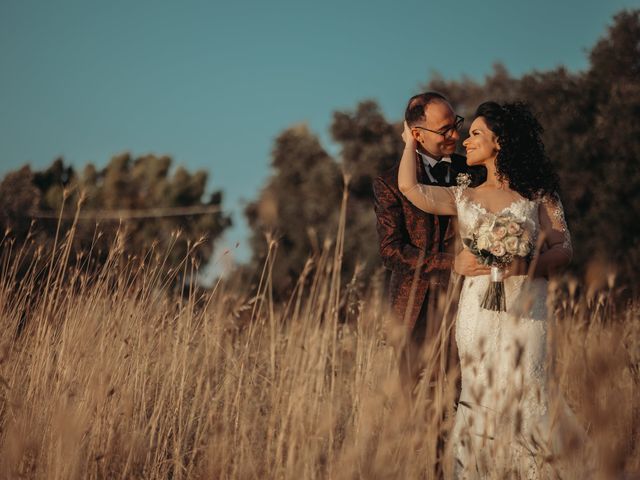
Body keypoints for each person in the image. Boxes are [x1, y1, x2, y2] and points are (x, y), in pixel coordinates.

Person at [398, 101, 574, 478]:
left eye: (476, 133)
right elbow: (409, 187)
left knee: (530, 388)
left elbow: (563, 248)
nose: (465, 141)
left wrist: (525, 266)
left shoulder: (538, 194)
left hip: (528, 309)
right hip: (477, 310)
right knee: (478, 392)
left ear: (501, 142)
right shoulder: (465, 196)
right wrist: (409, 143)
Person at [373, 92, 484, 399]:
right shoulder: (388, 183)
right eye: (445, 129)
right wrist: (450, 264)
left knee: (469, 399)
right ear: (417, 135)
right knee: (422, 406)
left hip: (471, 301)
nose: (455, 134)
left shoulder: (475, 171)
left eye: (455, 124)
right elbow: (391, 251)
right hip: (415, 310)